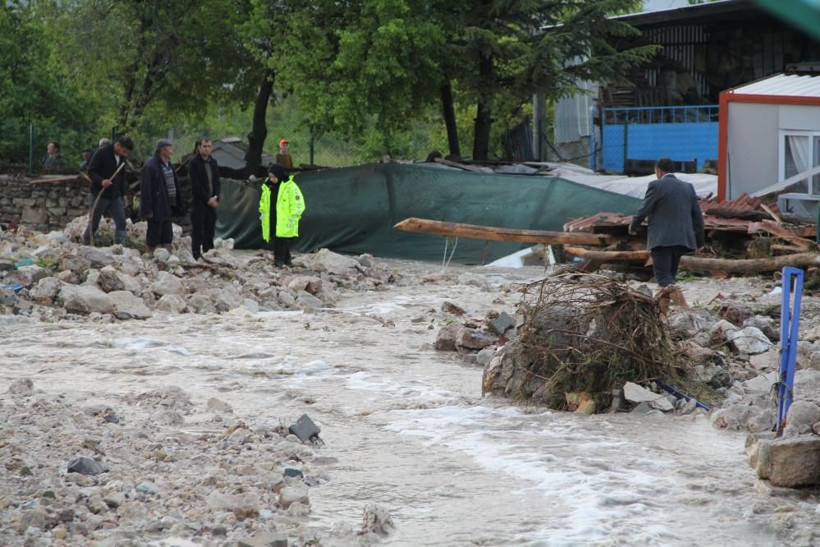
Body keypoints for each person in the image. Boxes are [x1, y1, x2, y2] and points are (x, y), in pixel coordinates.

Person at [628, 157, 705, 308]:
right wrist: (700, 241)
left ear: (659, 171)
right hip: (682, 239)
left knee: (663, 278)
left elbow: (644, 209)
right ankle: (662, 315)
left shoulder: (656, 185)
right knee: (669, 277)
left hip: (662, 240)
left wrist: (633, 226)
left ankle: (684, 307)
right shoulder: (687, 187)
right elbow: (697, 216)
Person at [82, 136, 134, 246]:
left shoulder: (121, 157)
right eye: (124, 151)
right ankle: (85, 243)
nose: (125, 154)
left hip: (115, 195)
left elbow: (122, 177)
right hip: (100, 194)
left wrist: (124, 193)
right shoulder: (102, 153)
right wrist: (101, 181)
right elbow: (91, 171)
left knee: (121, 222)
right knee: (94, 223)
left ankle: (120, 247)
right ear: (118, 145)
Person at [140, 139, 185, 255]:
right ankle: (148, 256)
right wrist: (148, 209)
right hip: (156, 207)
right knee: (153, 236)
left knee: (167, 235)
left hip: (167, 206)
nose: (172, 151)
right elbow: (146, 189)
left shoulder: (168, 165)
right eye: (169, 149)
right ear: (162, 150)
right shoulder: (151, 166)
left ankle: (166, 259)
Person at [259, 163, 305, 267]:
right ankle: (287, 260)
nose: (272, 179)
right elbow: (263, 201)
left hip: (285, 219)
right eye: (270, 177)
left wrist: (294, 216)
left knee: (280, 239)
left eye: (274, 177)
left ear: (279, 175)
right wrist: (263, 213)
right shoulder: (268, 187)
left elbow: (298, 203)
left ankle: (278, 261)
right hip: (273, 217)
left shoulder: (290, 187)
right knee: (279, 238)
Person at [188, 136, 221, 260]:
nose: (207, 149)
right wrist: (207, 199)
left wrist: (216, 197)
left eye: (209, 146)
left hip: (212, 203)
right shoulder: (194, 163)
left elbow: (217, 182)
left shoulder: (214, 163)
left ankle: (209, 253)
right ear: (199, 147)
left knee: (210, 229)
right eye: (204, 146)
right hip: (199, 203)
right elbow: (195, 184)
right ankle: (196, 255)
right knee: (198, 230)